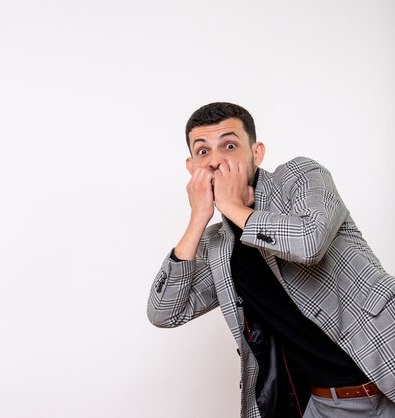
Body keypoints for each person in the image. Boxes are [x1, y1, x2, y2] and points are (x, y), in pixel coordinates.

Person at [146, 102, 395, 418]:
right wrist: (198, 220)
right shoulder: (217, 244)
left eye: (230, 145)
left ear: (257, 152)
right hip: (324, 405)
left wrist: (233, 207)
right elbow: (164, 313)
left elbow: (309, 243)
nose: (216, 161)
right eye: (203, 152)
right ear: (191, 165)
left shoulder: (300, 178)